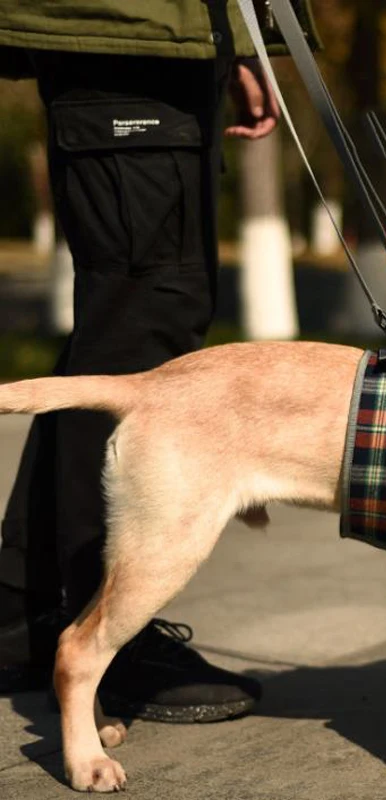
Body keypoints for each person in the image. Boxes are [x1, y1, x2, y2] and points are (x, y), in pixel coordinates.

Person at [0, 1, 318, 722]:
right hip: (130, 35)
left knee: (122, 326)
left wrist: (231, 39)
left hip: (160, 38)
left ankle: (23, 610)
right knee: (143, 321)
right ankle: (105, 631)